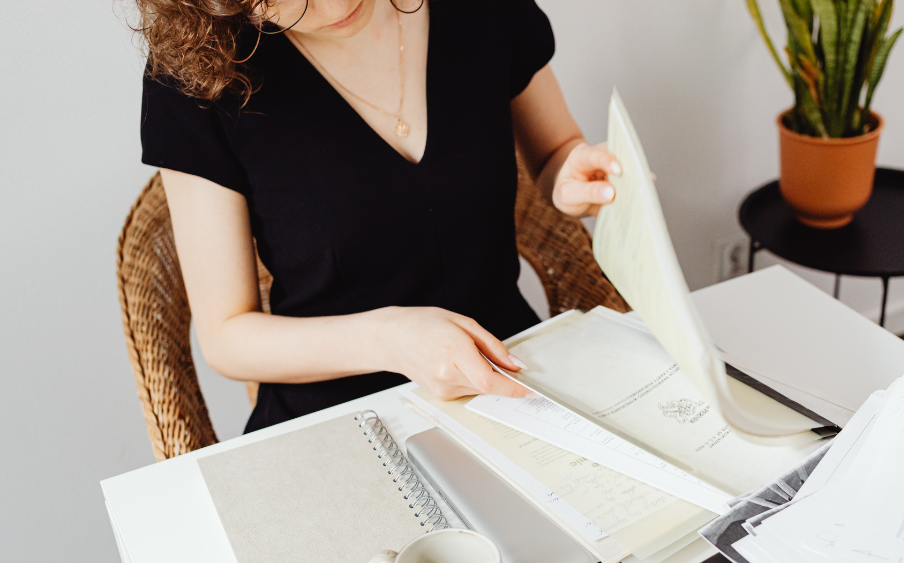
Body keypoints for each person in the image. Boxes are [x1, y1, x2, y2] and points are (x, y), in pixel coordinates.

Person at [136, 0, 620, 432]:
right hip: (338, 420)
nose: (335, 6)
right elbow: (226, 335)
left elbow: (555, 151)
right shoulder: (199, 73)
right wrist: (391, 339)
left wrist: (570, 172)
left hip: (511, 375)